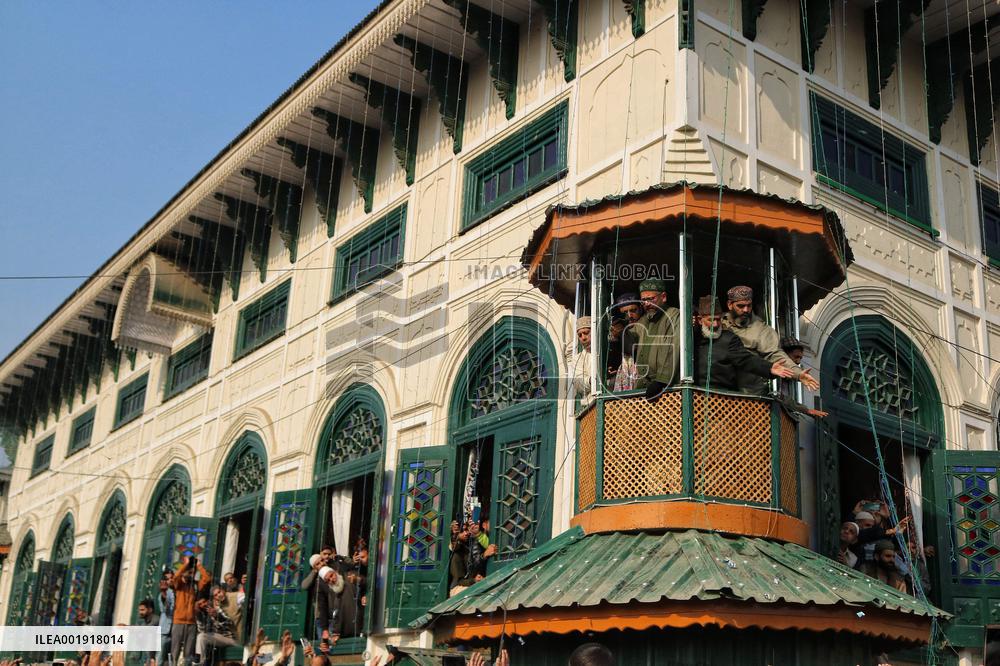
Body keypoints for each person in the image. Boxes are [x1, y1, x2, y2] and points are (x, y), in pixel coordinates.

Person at [722, 286, 819, 394]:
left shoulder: (761, 329)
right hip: (719, 388)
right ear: (730, 305)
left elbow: (776, 354)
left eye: (749, 306)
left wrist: (798, 374)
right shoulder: (719, 322)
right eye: (741, 306)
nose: (746, 310)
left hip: (748, 393)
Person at [693, 296, 796, 392]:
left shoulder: (729, 339)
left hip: (721, 395)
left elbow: (746, 359)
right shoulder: (692, 338)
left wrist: (769, 368)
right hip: (694, 393)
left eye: (718, 319)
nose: (715, 324)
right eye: (711, 320)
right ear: (700, 320)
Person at [633, 279, 681, 400]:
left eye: (651, 299)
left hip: (667, 388)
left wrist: (661, 381)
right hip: (644, 387)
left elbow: (674, 348)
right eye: (643, 300)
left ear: (663, 297)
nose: (647, 303)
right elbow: (631, 341)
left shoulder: (674, 315)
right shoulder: (643, 320)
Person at [170, 557, 212, 666]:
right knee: (175, 651)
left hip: (191, 623)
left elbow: (207, 579)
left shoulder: (195, 585)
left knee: (188, 653)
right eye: (189, 572)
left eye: (192, 573)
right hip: (178, 621)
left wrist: (199, 566)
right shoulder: (179, 584)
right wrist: (185, 565)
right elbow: (175, 578)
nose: (191, 574)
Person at [779, 337, 829, 418]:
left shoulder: (789, 377)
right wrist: (806, 410)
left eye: (800, 358)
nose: (798, 361)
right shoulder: (774, 374)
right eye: (796, 357)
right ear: (784, 355)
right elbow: (779, 397)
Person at [194, 586, 240, 664]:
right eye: (200, 604)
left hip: (232, 637)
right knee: (201, 637)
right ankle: (199, 662)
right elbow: (202, 631)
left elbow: (229, 623)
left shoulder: (218, 606)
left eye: (204, 602)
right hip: (220, 638)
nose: (203, 604)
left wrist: (217, 616)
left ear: (209, 600)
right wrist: (199, 617)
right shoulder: (202, 613)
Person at [301, 550, 334, 640]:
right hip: (320, 616)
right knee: (323, 642)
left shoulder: (331, 571)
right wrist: (315, 571)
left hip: (334, 613)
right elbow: (304, 585)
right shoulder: (314, 576)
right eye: (317, 564)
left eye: (322, 561)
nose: (321, 564)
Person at [567, 316, 593, 401]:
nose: (583, 338)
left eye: (586, 333)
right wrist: (591, 380)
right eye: (580, 335)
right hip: (591, 402)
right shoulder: (577, 359)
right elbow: (578, 384)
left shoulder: (605, 350)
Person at [157, 573, 175, 666]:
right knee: (160, 658)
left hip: (176, 629)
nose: (170, 580)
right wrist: (164, 594)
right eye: (167, 579)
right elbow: (164, 610)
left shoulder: (178, 591)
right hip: (165, 630)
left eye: (172, 578)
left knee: (172, 660)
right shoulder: (162, 595)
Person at [137, 599, 159, 666]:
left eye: (142, 610)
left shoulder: (156, 620)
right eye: (139, 610)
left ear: (150, 610)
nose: (140, 612)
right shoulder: (144, 623)